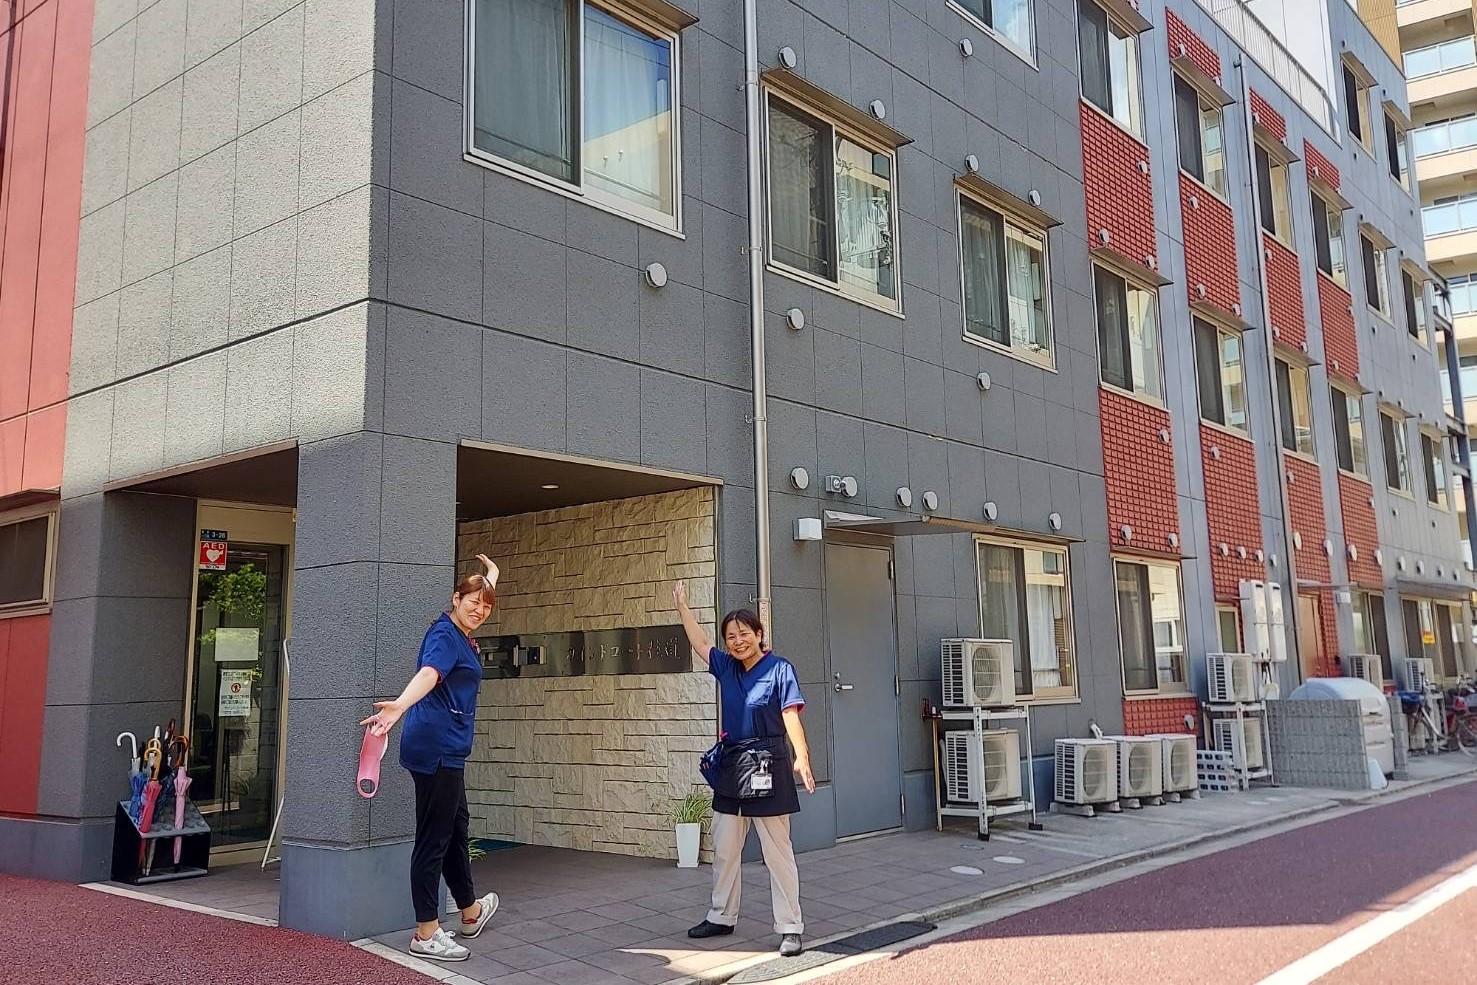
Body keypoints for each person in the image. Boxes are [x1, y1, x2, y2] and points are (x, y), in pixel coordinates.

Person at [360, 554, 502, 963]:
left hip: (446, 748)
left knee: (456, 827)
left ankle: (470, 912)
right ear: (455, 599)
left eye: (486, 605)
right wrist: (399, 706)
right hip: (437, 749)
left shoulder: (461, 631)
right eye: (472, 602)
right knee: (433, 838)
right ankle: (425, 932)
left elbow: (481, 594)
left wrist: (490, 577)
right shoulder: (445, 636)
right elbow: (429, 673)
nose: (480, 610)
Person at [672, 581, 815, 958]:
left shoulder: (780, 668)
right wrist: (682, 607)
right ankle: (721, 916)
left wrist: (801, 756)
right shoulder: (727, 668)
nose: (737, 641)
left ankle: (790, 926)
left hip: (769, 763)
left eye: (744, 634)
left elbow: (790, 714)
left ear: (759, 634)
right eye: (731, 636)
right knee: (724, 847)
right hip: (734, 764)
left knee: (777, 852)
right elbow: (701, 643)